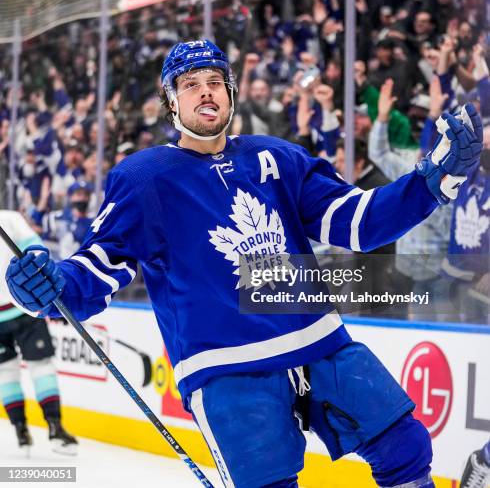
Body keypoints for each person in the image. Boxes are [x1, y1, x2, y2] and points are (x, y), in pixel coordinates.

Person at [4, 40, 482, 488]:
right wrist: (54, 286)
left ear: (230, 95)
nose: (205, 90)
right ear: (173, 104)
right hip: (226, 367)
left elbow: (357, 222)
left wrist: (430, 184)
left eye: (214, 80)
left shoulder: (276, 157)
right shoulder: (145, 179)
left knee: (405, 445)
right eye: (189, 84)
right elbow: (98, 267)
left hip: (317, 342)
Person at [0, 210, 78, 453]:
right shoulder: (10, 218)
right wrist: (51, 297)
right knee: (41, 365)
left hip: (20, 310)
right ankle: (55, 429)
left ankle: (21, 432)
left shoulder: (10, 218)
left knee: (5, 372)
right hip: (25, 307)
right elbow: (37, 253)